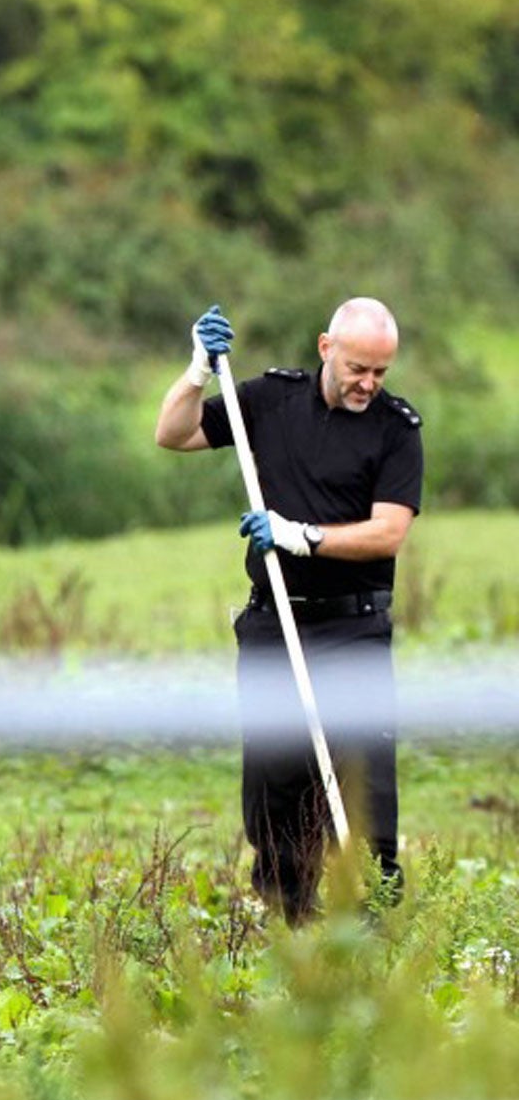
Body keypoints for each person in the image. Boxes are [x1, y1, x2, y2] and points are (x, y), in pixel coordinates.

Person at [155, 298, 422, 921]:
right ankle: (290, 924)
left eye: (381, 372)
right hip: (274, 620)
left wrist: (303, 536)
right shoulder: (270, 402)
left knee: (364, 782)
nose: (368, 384)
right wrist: (197, 370)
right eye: (359, 368)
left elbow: (388, 533)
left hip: (353, 624)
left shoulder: (396, 430)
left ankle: (373, 926)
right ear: (326, 347)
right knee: (276, 783)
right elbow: (173, 433)